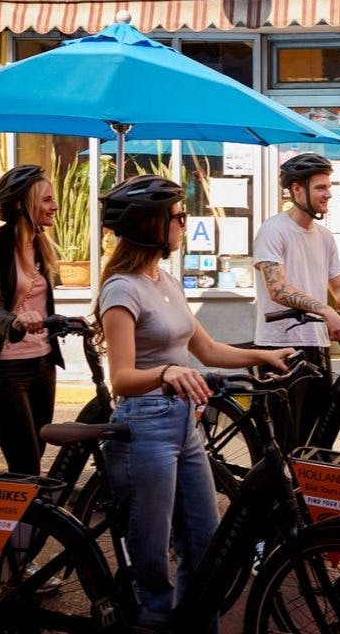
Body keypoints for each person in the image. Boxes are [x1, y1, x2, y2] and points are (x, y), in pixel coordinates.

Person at [95, 174, 292, 627]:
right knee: (151, 560)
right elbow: (121, 379)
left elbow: (206, 350)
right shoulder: (121, 289)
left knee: (204, 546)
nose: (184, 224)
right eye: (177, 217)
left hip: (184, 426)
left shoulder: (164, 279)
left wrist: (264, 357)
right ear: (150, 226)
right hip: (143, 429)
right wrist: (166, 372)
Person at [253, 152, 340, 445]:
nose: (329, 194)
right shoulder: (274, 230)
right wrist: (326, 311)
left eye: (329, 187)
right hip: (280, 348)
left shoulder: (324, 236)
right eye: (320, 188)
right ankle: (274, 492)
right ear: (297, 190)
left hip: (316, 345)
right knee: (286, 441)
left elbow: (339, 289)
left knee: (315, 439)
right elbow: (278, 288)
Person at [0, 164, 63, 476]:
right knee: (24, 467)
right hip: (7, 368)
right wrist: (14, 322)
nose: (55, 206)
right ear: (24, 205)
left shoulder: (42, 246)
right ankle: (12, 524)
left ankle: (24, 522)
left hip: (43, 363)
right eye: (47, 199)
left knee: (36, 454)